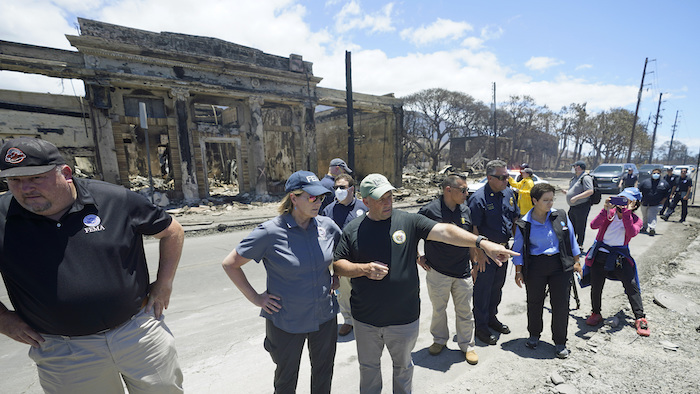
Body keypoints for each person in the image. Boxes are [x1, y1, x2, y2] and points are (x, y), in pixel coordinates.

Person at [0, 138, 185, 393]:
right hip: (65, 351)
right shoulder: (3, 217)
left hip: (137, 333)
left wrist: (164, 283)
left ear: (65, 173)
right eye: (15, 181)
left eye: (36, 177)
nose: (25, 188)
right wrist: (1, 318)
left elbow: (172, 231)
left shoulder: (114, 199)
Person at [333, 173, 517, 394]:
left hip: (403, 319)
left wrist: (482, 243)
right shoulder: (353, 228)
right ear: (366, 201)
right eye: (381, 198)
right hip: (365, 320)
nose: (387, 202)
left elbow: (446, 231)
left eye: (390, 196)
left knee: (403, 369)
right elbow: (339, 265)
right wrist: (363, 269)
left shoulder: (408, 221)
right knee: (369, 369)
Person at [221, 170, 340, 394]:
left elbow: (343, 254)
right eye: (312, 197)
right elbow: (230, 264)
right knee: (286, 381)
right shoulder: (270, 232)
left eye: (321, 198)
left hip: (324, 316)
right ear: (294, 198)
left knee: (324, 375)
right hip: (287, 321)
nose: (318, 203)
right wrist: (256, 298)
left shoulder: (327, 227)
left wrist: (338, 275)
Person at [512, 183, 582, 359]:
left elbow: (571, 239)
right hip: (536, 266)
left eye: (552, 199)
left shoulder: (561, 215)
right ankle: (534, 335)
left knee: (560, 305)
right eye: (546, 200)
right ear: (534, 200)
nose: (550, 203)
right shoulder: (524, 223)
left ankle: (560, 342)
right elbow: (518, 249)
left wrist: (576, 261)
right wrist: (518, 271)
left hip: (560, 266)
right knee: (534, 303)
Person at [416, 173, 478, 365]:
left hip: (462, 272)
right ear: (448, 190)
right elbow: (412, 233)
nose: (467, 193)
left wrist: (475, 264)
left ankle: (467, 345)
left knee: (465, 311)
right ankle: (439, 340)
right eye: (463, 190)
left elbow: (472, 241)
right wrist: (418, 257)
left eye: (467, 190)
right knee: (438, 310)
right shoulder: (429, 210)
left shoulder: (466, 211)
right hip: (437, 271)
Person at [581, 188, 650, 337]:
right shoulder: (609, 214)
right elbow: (593, 225)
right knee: (596, 285)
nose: (624, 203)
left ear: (636, 203)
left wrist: (626, 213)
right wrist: (605, 210)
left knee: (631, 286)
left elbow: (631, 232)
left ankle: (640, 317)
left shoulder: (636, 220)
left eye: (628, 200)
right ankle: (596, 313)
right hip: (601, 254)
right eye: (622, 198)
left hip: (620, 256)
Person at [468, 160, 520, 346]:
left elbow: (514, 218)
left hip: (503, 250)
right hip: (486, 253)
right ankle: (481, 327)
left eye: (507, 176)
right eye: (502, 177)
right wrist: (477, 256)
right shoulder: (478, 198)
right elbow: (472, 228)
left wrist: (515, 244)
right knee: (482, 291)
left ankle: (492, 318)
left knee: (496, 288)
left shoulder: (508, 193)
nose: (507, 180)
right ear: (489, 178)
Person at [321, 173, 368, 337]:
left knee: (363, 290)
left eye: (342, 187)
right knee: (343, 292)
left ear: (352, 189)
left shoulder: (362, 208)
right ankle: (348, 320)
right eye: (336, 188)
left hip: (360, 257)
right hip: (338, 259)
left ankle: (364, 319)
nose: (338, 190)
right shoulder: (328, 210)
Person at [564, 160, 594, 250]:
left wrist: (576, 197)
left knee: (580, 225)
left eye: (574, 166)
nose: (573, 168)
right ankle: (571, 243)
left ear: (579, 168)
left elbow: (590, 191)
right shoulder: (575, 178)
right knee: (571, 225)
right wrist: (567, 193)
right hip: (573, 206)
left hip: (582, 206)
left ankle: (579, 244)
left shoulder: (585, 178)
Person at [638, 166, 670, 236]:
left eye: (657, 173)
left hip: (656, 204)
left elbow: (667, 194)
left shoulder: (664, 183)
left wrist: (663, 201)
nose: (656, 174)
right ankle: (644, 227)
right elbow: (638, 190)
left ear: (660, 174)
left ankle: (652, 228)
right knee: (645, 216)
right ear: (651, 174)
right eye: (654, 173)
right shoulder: (645, 182)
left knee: (652, 215)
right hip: (645, 203)